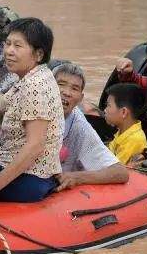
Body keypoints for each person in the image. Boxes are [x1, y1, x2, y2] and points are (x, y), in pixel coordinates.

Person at [0, 18, 64, 203]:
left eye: (18, 46)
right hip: (27, 173)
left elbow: (35, 145)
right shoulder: (35, 76)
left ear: (38, 54)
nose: (9, 51)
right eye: (7, 44)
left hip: (28, 179)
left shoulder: (35, 86)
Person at [53, 62, 129, 191]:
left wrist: (77, 177)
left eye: (74, 88)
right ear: (46, 86)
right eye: (61, 84)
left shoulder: (79, 126)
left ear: (81, 98)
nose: (66, 93)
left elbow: (120, 172)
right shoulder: (29, 109)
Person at [103, 83, 147, 164]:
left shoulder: (134, 140)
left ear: (124, 112)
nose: (105, 110)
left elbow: (113, 169)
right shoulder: (123, 131)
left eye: (108, 105)